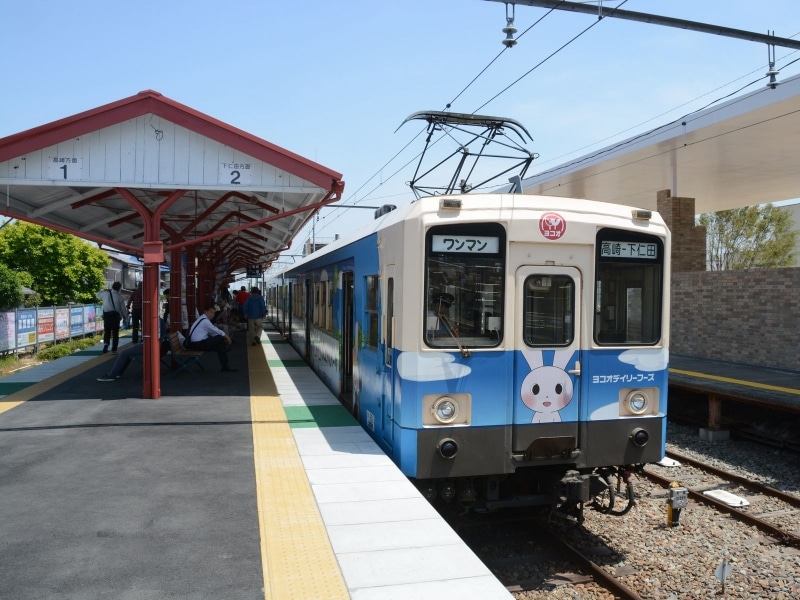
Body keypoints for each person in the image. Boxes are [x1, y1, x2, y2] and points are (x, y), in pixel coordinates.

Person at [97, 317, 167, 381]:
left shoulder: (154, 321)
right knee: (128, 351)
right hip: (157, 347)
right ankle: (117, 372)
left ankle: (113, 375)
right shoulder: (160, 320)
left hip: (150, 347)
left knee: (124, 353)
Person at [188, 303, 237, 372]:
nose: (212, 315)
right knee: (219, 338)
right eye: (210, 312)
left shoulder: (202, 318)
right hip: (198, 344)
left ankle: (225, 366)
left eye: (214, 313)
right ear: (205, 312)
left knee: (220, 346)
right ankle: (225, 361)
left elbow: (212, 332)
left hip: (197, 343)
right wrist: (227, 337)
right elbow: (215, 330)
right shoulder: (205, 321)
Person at [97, 281, 128, 354]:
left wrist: (104, 290)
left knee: (107, 331)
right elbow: (123, 309)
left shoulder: (105, 294)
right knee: (115, 333)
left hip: (107, 315)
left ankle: (106, 344)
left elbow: (97, 294)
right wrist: (125, 317)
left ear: (112, 287)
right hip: (115, 316)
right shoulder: (119, 296)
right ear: (119, 288)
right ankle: (114, 349)